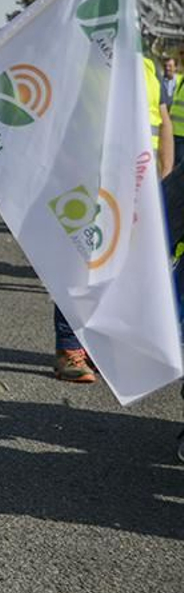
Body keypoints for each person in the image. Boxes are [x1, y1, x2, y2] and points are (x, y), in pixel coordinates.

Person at [54, 53, 176, 382]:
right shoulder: (85, 63)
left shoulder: (147, 67)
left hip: (140, 182)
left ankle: (98, 346)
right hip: (96, 179)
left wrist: (166, 169)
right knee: (82, 262)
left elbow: (162, 121)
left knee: (122, 268)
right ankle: (69, 347)